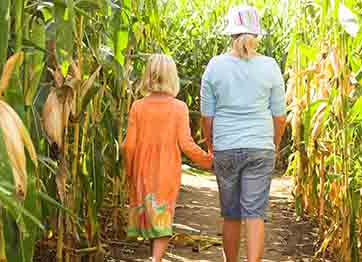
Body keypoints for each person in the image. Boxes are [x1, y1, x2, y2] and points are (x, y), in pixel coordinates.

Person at [200, 5, 287, 262]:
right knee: (254, 213)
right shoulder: (270, 66)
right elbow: (279, 116)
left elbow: (207, 116)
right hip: (260, 146)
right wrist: (274, 143)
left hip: (226, 146)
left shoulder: (214, 67)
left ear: (230, 34)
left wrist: (211, 147)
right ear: (257, 34)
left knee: (231, 213)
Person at [122, 54, 213, 262]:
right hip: (166, 171)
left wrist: (129, 169)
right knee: (163, 218)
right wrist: (208, 160)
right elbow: (186, 144)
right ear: (173, 77)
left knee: (150, 215)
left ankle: (155, 257)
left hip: (142, 170)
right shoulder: (178, 107)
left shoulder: (138, 106)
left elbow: (128, 145)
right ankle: (156, 259)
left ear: (148, 76)